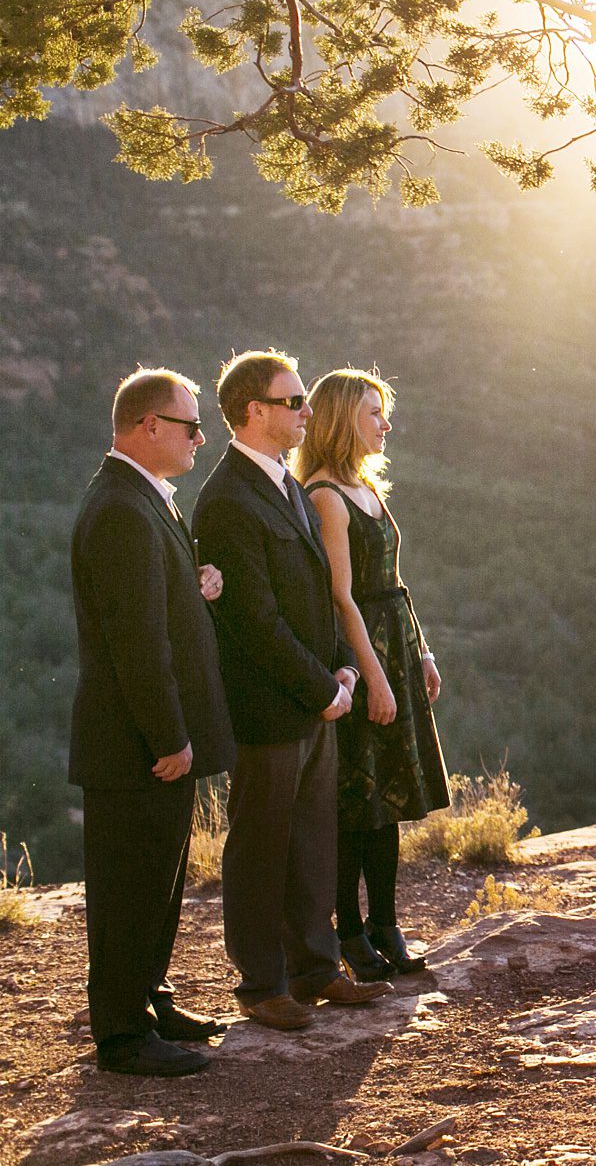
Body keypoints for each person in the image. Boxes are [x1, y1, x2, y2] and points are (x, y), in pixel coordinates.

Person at [194, 349, 393, 1031]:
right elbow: (254, 618)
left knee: (311, 838)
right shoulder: (225, 499)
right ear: (254, 411)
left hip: (315, 699)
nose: (308, 411)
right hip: (268, 708)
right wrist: (321, 686)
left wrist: (342, 667)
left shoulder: (286, 482)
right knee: (261, 844)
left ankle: (314, 967)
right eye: (295, 401)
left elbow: (320, 591)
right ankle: (261, 983)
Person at [69, 368, 236, 1076]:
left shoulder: (143, 500)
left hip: (151, 743)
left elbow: (153, 605)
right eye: (190, 424)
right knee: (129, 884)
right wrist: (169, 737)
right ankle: (122, 1033)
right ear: (148, 427)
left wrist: (195, 587)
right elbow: (136, 642)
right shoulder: (120, 508)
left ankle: (150, 997)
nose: (202, 436)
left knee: (159, 879)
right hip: (136, 745)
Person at [297, 369, 448, 981]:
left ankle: (386, 924)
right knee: (357, 805)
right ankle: (350, 933)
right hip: (362, 659)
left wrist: (423, 652)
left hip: (397, 650)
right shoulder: (325, 495)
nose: (385, 424)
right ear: (341, 419)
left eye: (384, 412)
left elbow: (395, 585)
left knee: (390, 802)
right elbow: (342, 596)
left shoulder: (365, 487)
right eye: (373, 413)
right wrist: (375, 675)